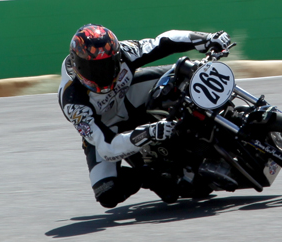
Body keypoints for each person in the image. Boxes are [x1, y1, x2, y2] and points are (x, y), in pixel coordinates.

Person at [58, 24, 232, 208]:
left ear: (116, 56)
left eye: (108, 65)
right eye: (94, 69)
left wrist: (206, 39)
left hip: (131, 95)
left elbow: (164, 41)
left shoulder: (124, 51)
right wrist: (147, 133)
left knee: (185, 73)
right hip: (107, 128)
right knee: (107, 193)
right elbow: (107, 148)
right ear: (76, 64)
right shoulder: (73, 101)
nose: (103, 73)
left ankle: (224, 115)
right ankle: (151, 175)